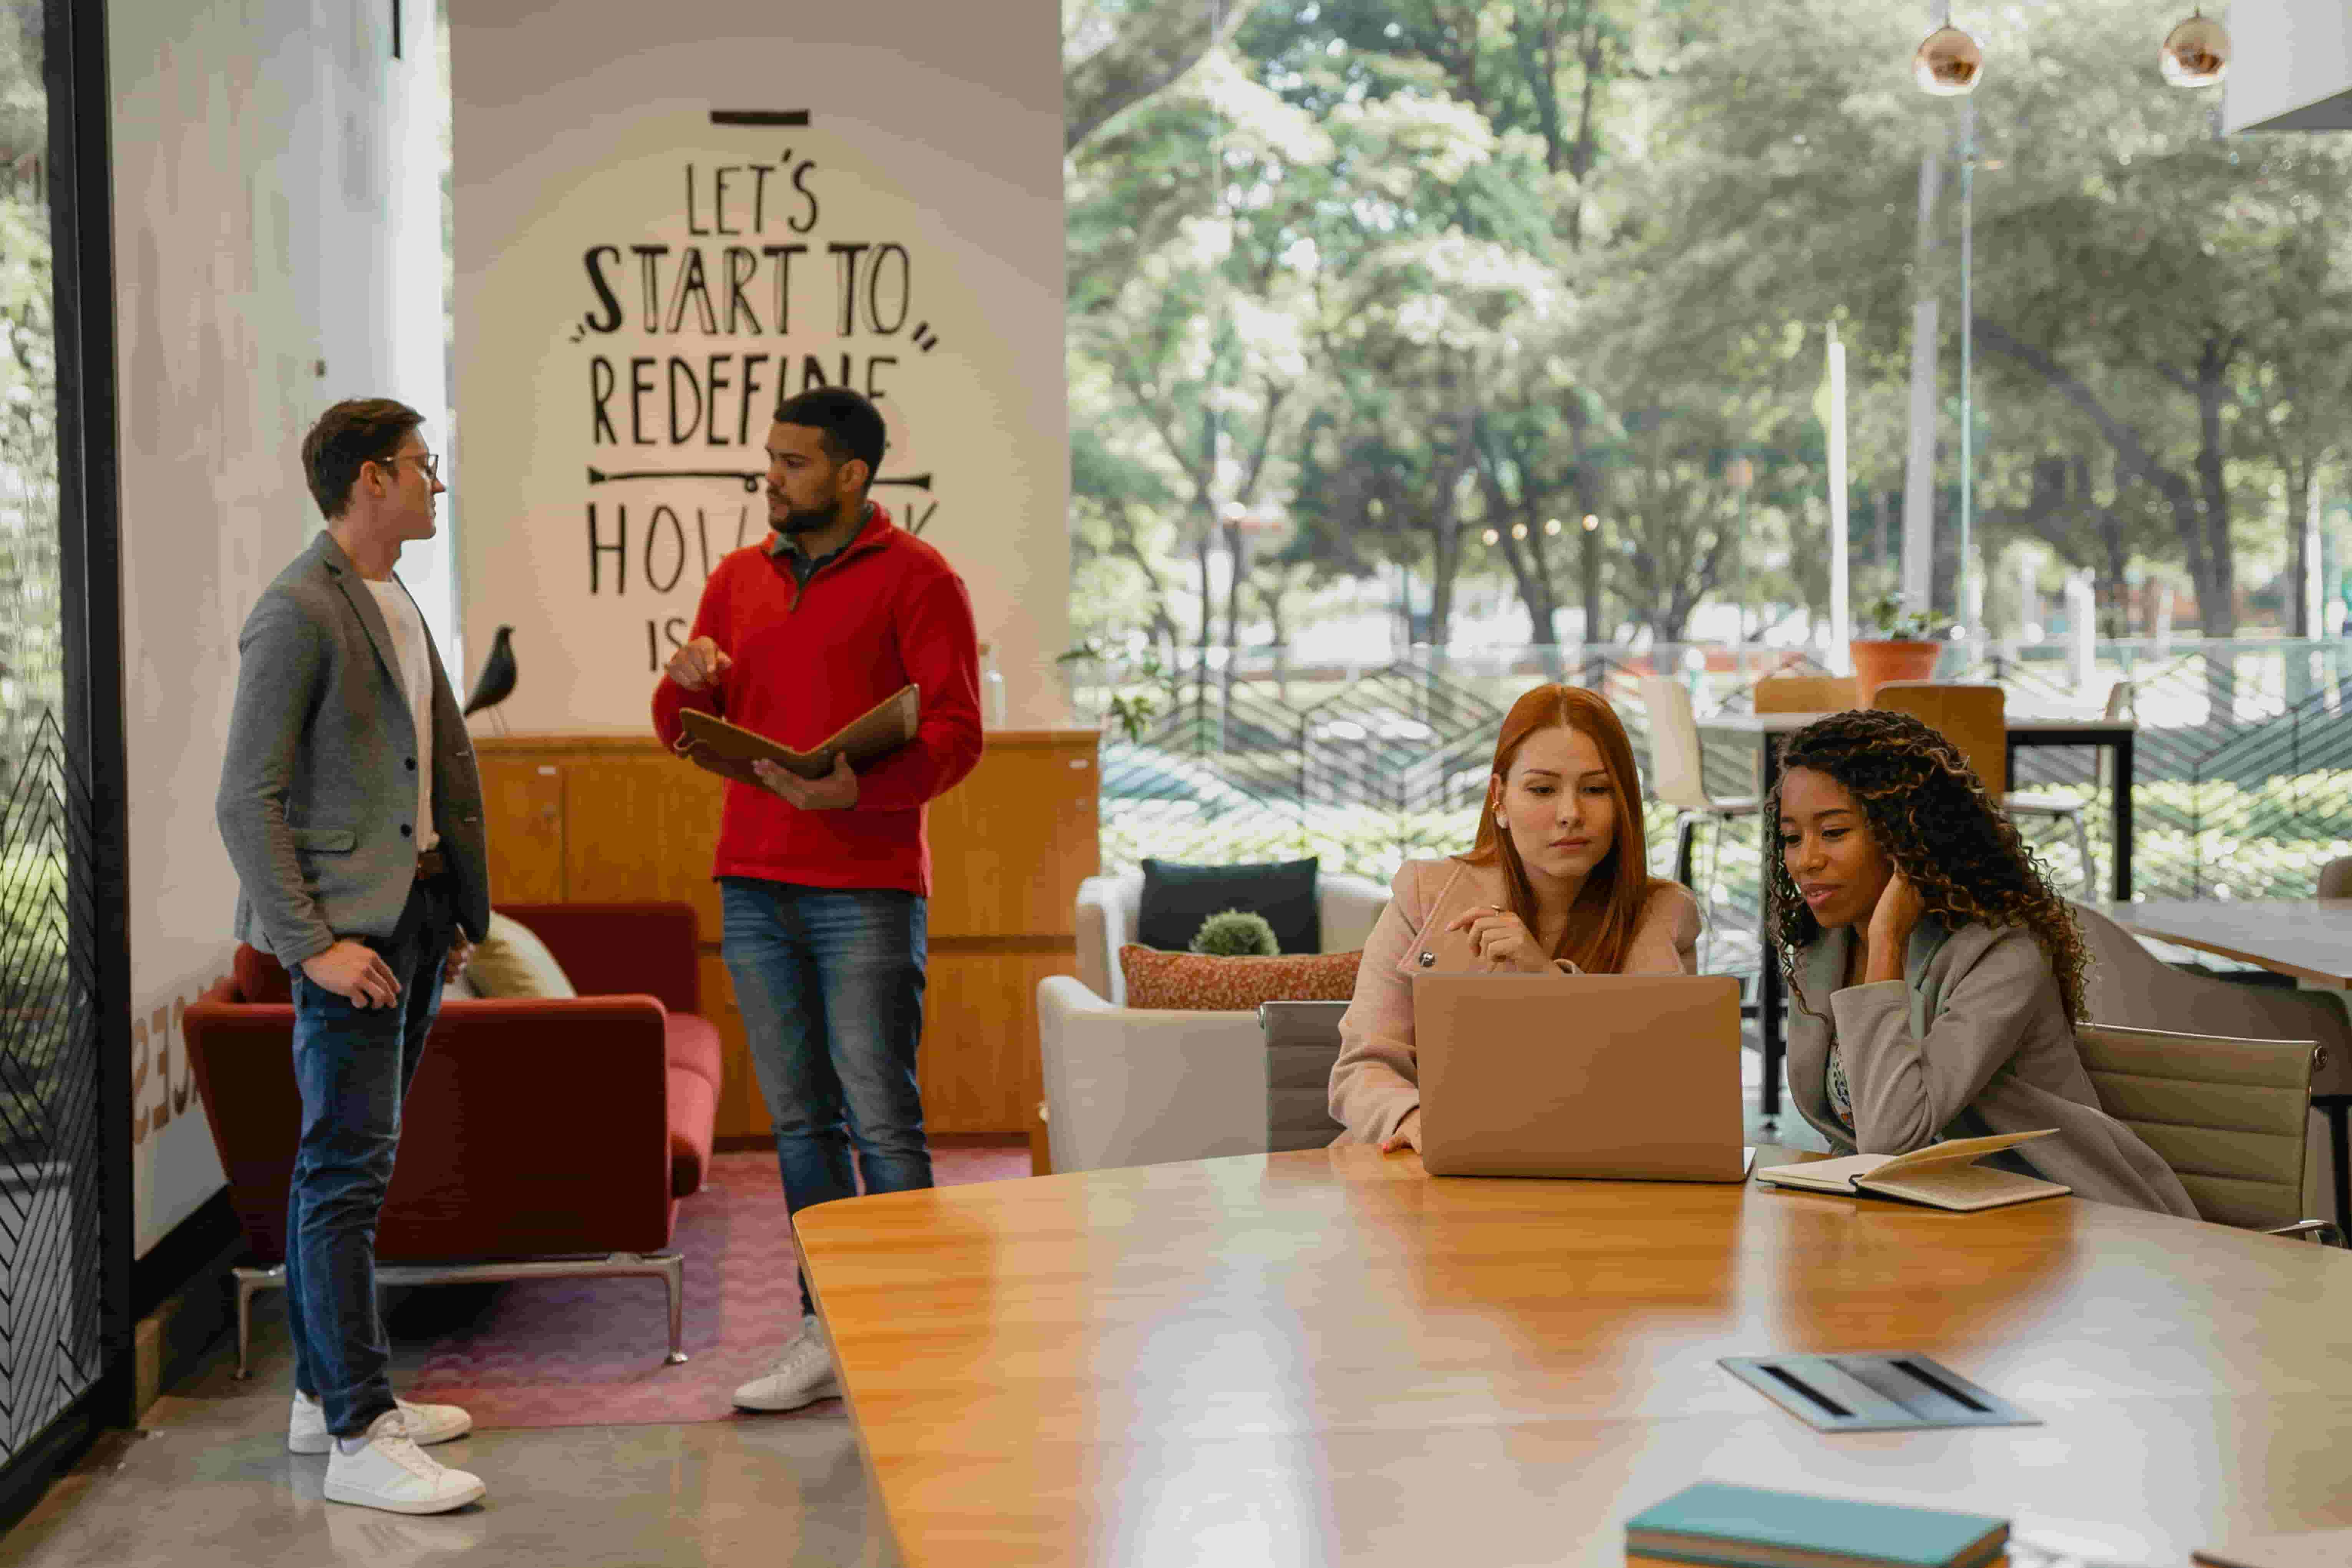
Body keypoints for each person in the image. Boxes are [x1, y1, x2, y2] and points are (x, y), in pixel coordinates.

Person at [651, 386, 983, 1411]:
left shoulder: (922, 581)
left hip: (867, 887)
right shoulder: (735, 580)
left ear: (851, 475)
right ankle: (825, 1328)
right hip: (753, 881)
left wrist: (860, 789)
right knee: (801, 1124)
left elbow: (956, 733)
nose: (772, 478)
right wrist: (687, 681)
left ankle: (912, 1333)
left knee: (880, 1118)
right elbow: (677, 723)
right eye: (770, 460)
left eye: (793, 463)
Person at [215, 398, 491, 1513]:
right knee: (341, 1173)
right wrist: (312, 946)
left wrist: (454, 908)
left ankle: (320, 1387)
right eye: (426, 467)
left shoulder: (388, 593)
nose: (438, 484)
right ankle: (359, 1432)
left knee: (353, 1166)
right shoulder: (297, 611)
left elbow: (419, 769)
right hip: (350, 940)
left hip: (416, 917)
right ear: (372, 478)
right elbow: (247, 800)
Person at [1769, 707, 2196, 1215]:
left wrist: (1886, 942)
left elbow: (1890, 1134)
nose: (1805, 860)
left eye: (1833, 832)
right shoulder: (1821, 953)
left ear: (1907, 840)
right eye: (1792, 837)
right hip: (1920, 1218)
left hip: (2063, 1223)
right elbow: (1853, 1138)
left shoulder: (2000, 956)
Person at [1329, 684, 1702, 1150]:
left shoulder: (1662, 914)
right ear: (1499, 798)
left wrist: (1545, 979)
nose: (1570, 813)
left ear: (1623, 802)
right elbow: (1361, 1068)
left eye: (1596, 789)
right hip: (1419, 1176)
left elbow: (1663, 1091)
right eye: (1542, 789)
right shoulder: (1425, 893)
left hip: (1588, 1188)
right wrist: (1414, 1120)